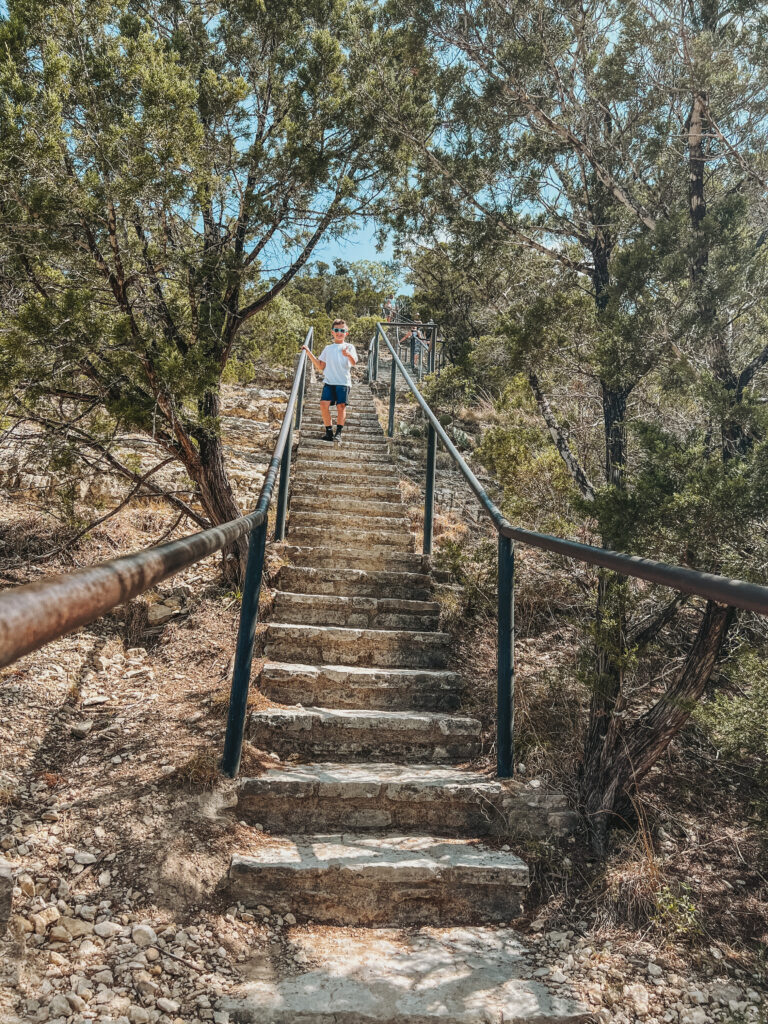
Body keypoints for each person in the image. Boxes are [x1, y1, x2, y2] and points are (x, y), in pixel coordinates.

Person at [302, 320, 358, 441]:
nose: (339, 333)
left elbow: (353, 363)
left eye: (342, 330)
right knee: (323, 404)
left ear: (346, 333)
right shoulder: (328, 348)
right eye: (337, 330)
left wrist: (348, 354)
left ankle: (338, 433)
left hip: (343, 382)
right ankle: (329, 432)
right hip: (329, 382)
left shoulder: (349, 347)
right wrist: (308, 352)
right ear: (333, 332)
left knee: (341, 406)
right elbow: (320, 366)